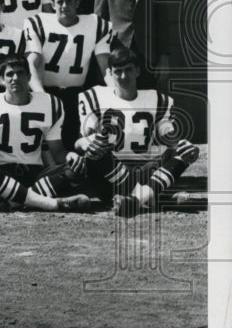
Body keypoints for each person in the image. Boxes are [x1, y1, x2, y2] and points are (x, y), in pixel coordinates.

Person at [76, 47, 200, 216]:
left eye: (128, 70)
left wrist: (186, 147)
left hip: (145, 170)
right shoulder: (94, 97)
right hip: (110, 173)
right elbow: (83, 139)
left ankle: (135, 201)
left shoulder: (157, 99)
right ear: (110, 73)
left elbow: (168, 136)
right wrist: (86, 144)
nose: (123, 76)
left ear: (138, 71)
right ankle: (148, 198)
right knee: (95, 153)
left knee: (182, 152)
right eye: (118, 71)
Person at [0, 56, 93, 212]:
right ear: (1, 79)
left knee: (76, 167)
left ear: (28, 76)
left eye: (20, 73)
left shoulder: (50, 103)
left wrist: (70, 157)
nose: (15, 78)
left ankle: (10, 203)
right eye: (9, 74)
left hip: (33, 173)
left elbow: (58, 152)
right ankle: (49, 203)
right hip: (0, 173)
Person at [25, 0, 113, 149]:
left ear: (77, 3)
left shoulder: (96, 24)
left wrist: (116, 94)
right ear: (52, 5)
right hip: (46, 91)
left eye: (69, 1)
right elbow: (32, 63)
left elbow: (105, 67)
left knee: (76, 141)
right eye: (59, 2)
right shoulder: (38, 22)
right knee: (46, 145)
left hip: (76, 95)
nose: (64, 6)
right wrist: (41, 95)